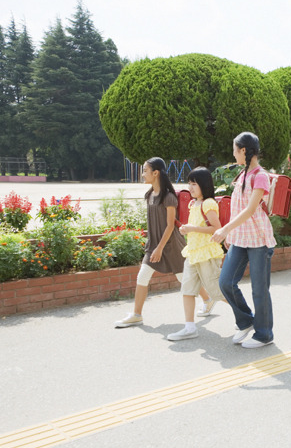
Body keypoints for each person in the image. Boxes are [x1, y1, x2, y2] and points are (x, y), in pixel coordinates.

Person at [212, 132, 276, 349]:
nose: (233, 153)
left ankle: (264, 334)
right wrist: (231, 235)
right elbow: (236, 208)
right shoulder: (242, 174)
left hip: (258, 239)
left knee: (259, 289)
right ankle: (246, 321)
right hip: (240, 239)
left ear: (244, 151)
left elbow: (249, 210)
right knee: (225, 282)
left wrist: (225, 229)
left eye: (235, 149)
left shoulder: (260, 176)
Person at [114, 157, 188, 328]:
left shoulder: (168, 197)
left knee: (184, 278)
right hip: (154, 246)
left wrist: (160, 248)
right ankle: (136, 315)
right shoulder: (149, 195)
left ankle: (208, 299)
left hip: (171, 245)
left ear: (155, 173)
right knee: (142, 276)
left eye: (145, 170)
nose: (142, 174)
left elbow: (170, 226)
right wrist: (153, 246)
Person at [167, 167, 226, 341]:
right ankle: (189, 327)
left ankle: (246, 315)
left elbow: (217, 229)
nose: (190, 188)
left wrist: (192, 228)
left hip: (207, 254)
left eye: (194, 184)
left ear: (204, 185)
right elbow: (198, 227)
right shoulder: (193, 203)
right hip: (193, 253)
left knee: (216, 292)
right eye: (189, 183)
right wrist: (188, 229)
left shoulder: (208, 203)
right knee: (187, 290)